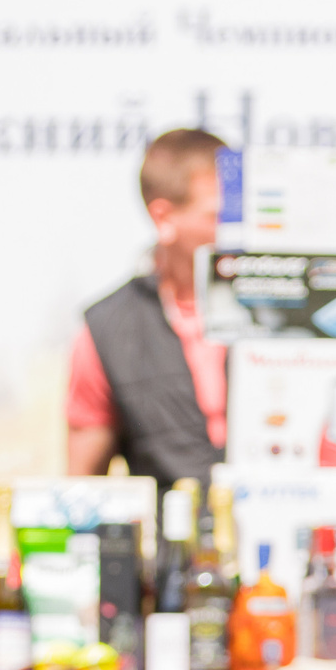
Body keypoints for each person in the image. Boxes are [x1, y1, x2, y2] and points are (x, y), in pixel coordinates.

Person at [64, 128, 230, 482]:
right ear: (163, 218)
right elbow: (83, 482)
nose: (237, 230)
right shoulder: (107, 329)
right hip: (166, 534)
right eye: (219, 216)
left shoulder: (284, 308)